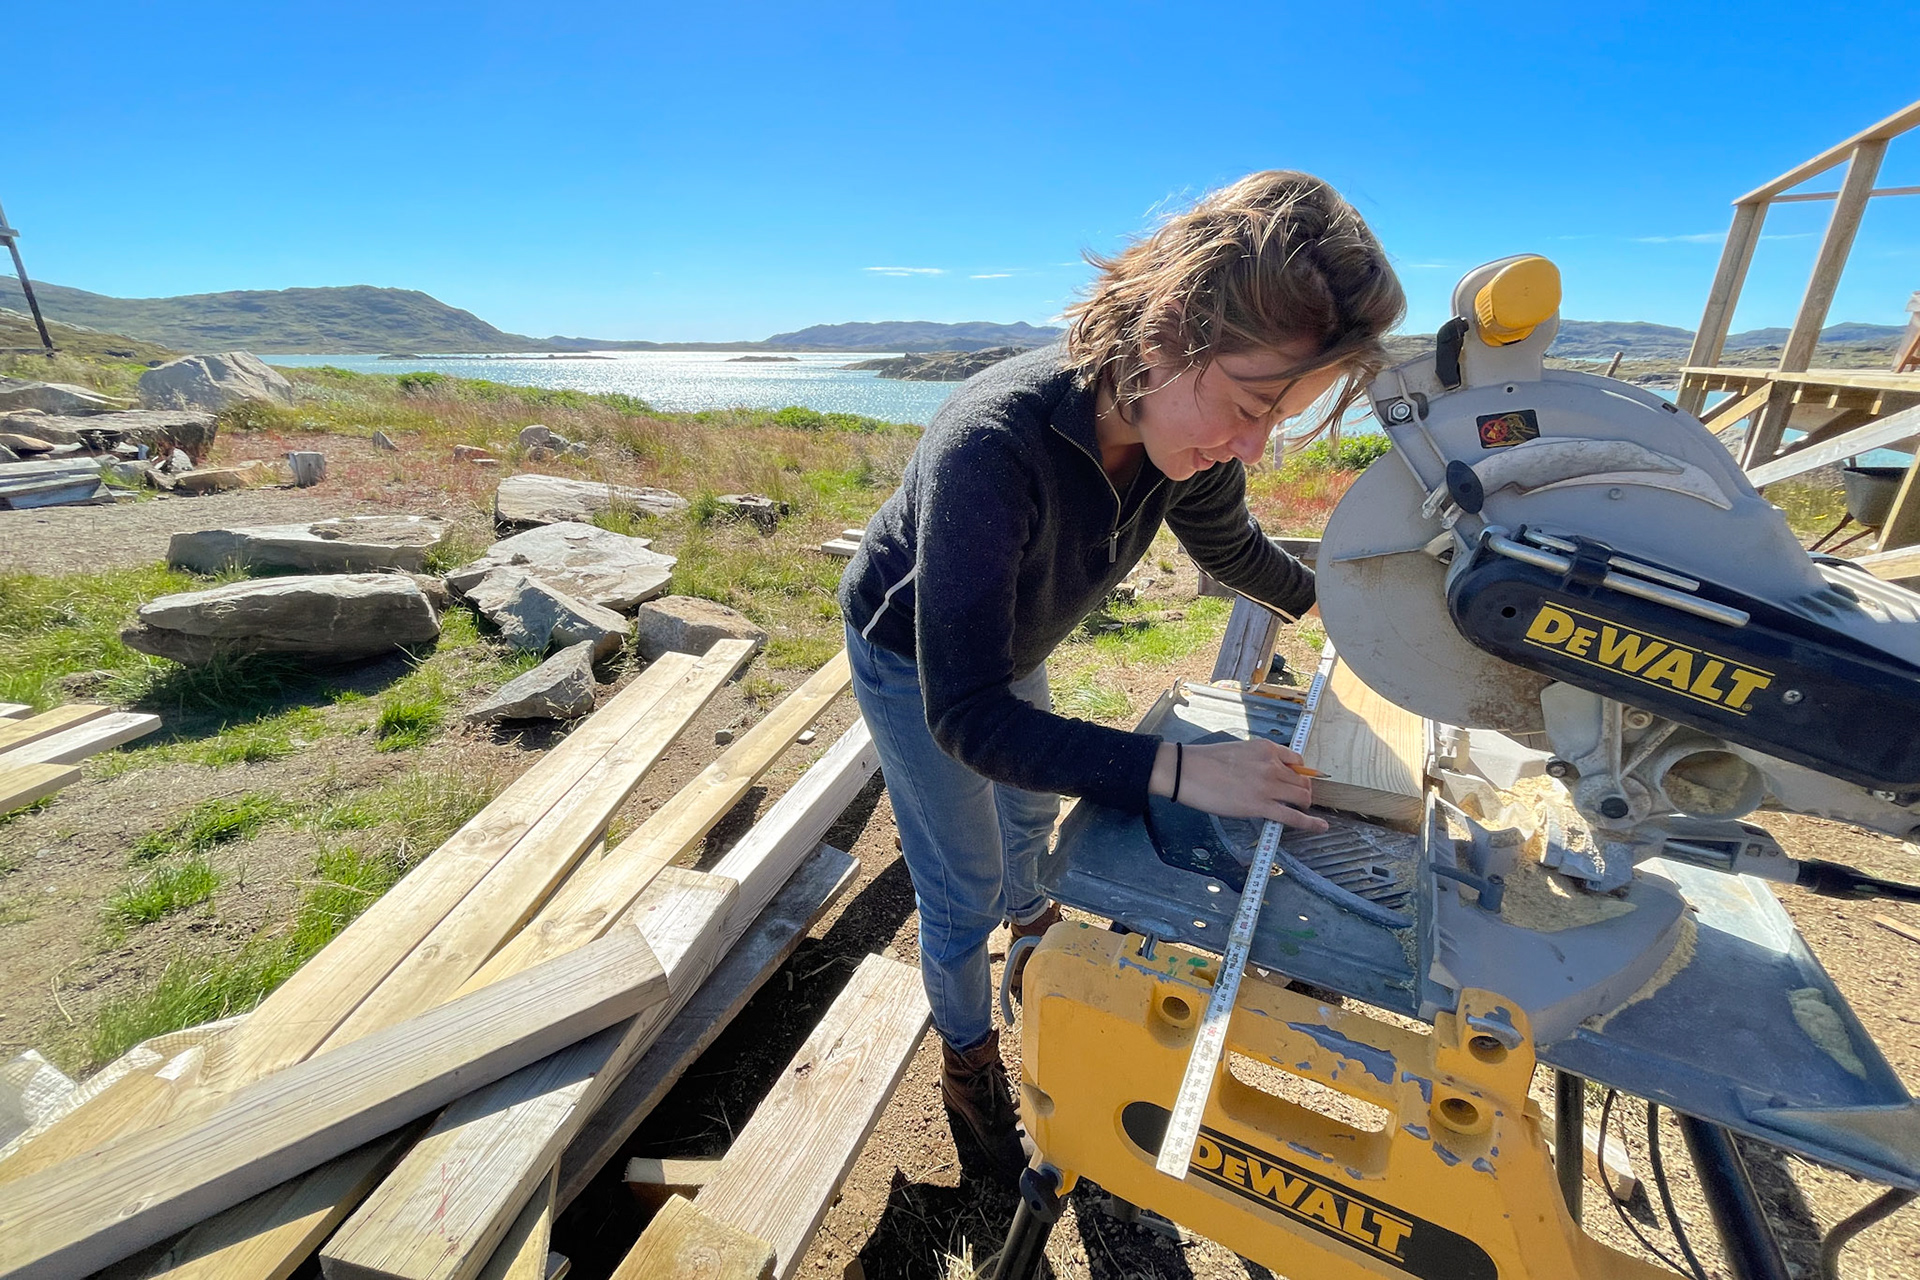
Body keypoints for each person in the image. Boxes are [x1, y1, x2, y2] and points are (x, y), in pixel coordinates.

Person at [836, 170, 1406, 1182]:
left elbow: (1233, 549)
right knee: (961, 884)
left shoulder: (1182, 429)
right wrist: (1184, 771)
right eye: (1245, 405)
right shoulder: (993, 443)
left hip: (1010, 647)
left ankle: (1038, 941)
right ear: (1168, 332)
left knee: (1028, 828)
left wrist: (1337, 617)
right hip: (914, 658)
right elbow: (966, 713)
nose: (1251, 444)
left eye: (1279, 419)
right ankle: (970, 1065)